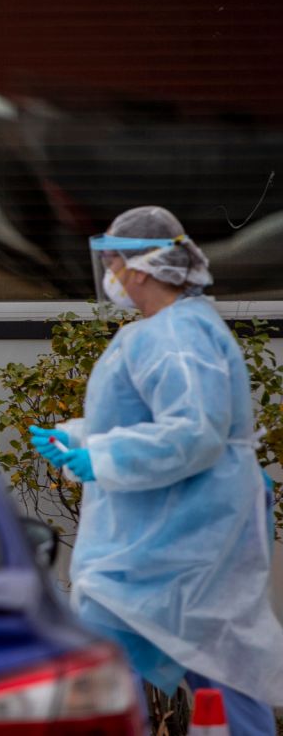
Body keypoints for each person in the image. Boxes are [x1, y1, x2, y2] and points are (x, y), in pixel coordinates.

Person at [29, 206, 283, 734]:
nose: (111, 277)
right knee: (204, 659)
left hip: (180, 539)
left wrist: (101, 458)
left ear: (140, 269)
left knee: (192, 660)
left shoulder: (176, 337)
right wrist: (76, 437)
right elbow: (142, 420)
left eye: (115, 263)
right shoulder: (166, 331)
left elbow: (193, 432)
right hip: (165, 540)